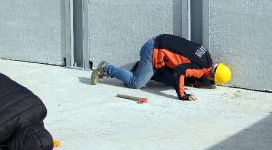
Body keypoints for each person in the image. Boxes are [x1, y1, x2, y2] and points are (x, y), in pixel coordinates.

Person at [91, 34, 232, 101]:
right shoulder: (201, 68)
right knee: (136, 83)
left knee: (173, 81)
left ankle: (143, 69)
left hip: (158, 46)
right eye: (212, 81)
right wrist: (182, 95)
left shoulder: (206, 55)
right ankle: (106, 68)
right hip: (153, 50)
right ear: (211, 76)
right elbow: (180, 72)